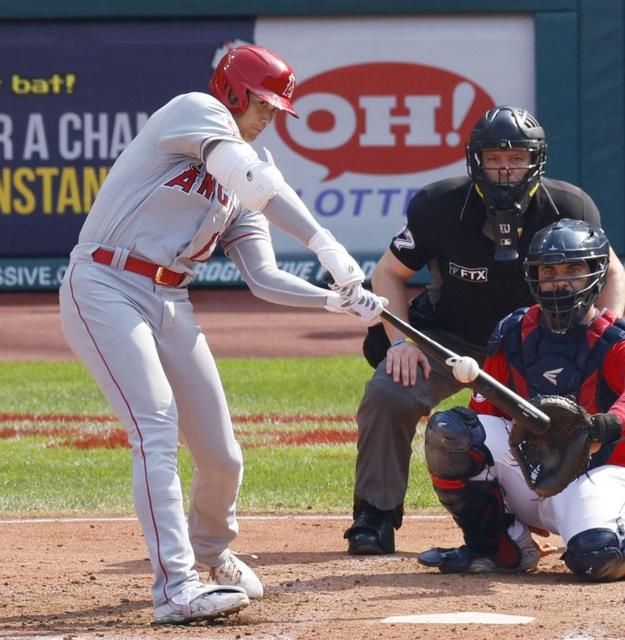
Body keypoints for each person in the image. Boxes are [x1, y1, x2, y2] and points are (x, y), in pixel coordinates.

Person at [58, 44, 386, 625]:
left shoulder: (245, 176)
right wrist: (327, 245)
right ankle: (175, 588)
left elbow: (262, 278)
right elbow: (254, 180)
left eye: (275, 108)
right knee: (155, 426)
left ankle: (210, 551)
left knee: (223, 456)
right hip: (105, 282)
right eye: (262, 103)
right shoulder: (196, 111)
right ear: (233, 92)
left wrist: (336, 300)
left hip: (170, 299)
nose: (269, 117)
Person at [344, 105, 625, 555]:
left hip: (535, 342)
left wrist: (602, 337)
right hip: (448, 339)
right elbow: (387, 274)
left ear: (537, 161)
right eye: (495, 158)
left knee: (592, 418)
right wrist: (401, 342)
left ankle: (588, 514)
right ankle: (375, 515)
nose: (506, 169)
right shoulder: (437, 205)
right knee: (389, 392)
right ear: (476, 161)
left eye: (517, 159)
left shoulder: (570, 204)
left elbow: (610, 269)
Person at [417, 219, 625, 581]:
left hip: (597, 474)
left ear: (596, 273)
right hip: (531, 468)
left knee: (596, 558)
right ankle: (501, 548)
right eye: (549, 270)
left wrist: (605, 424)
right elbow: (481, 417)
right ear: (535, 277)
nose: (559, 281)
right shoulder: (513, 333)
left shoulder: (613, 340)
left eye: (573, 269)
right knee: (451, 434)